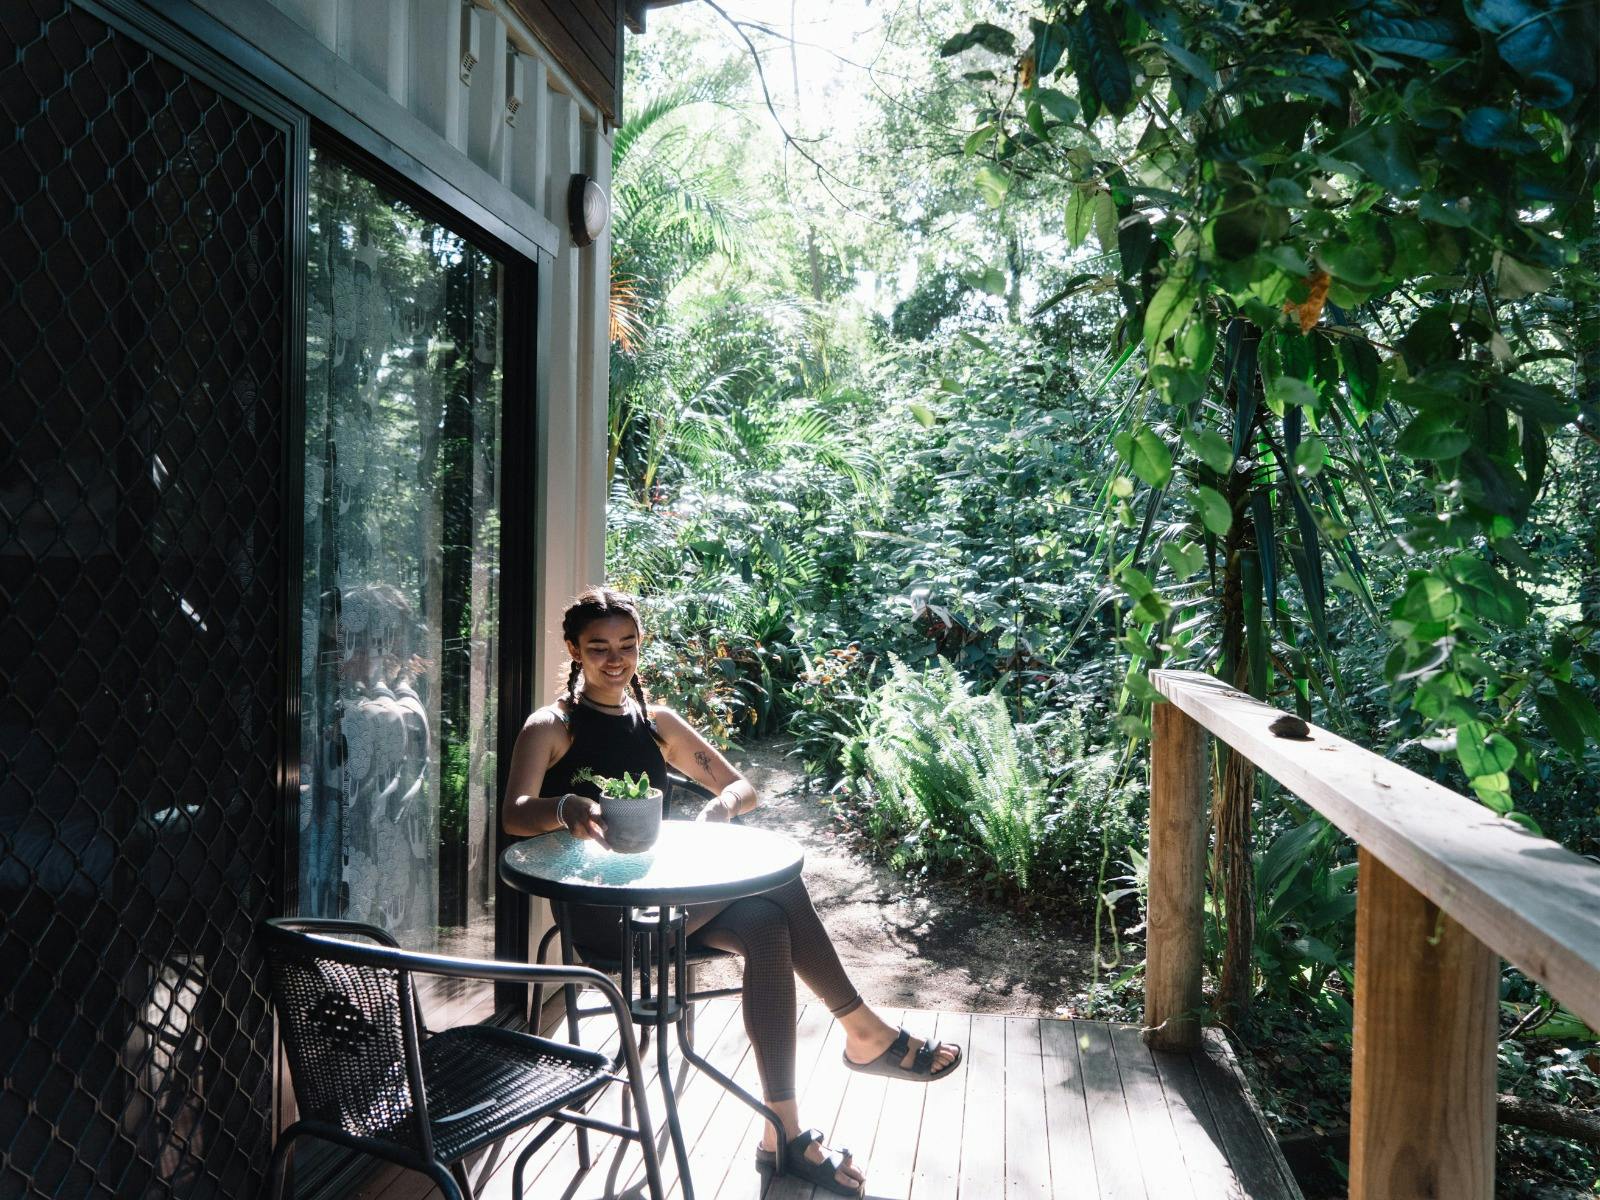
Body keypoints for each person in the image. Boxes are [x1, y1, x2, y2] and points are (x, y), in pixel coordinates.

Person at [502, 587, 962, 1198]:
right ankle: (862, 1035)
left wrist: (720, 808)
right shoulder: (552, 727)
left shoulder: (656, 722)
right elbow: (512, 815)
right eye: (598, 648)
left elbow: (743, 786)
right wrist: (563, 807)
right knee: (780, 886)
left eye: (628, 645)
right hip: (604, 917)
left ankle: (784, 1135)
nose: (616, 660)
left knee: (768, 920)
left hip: (674, 905)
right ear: (573, 650)